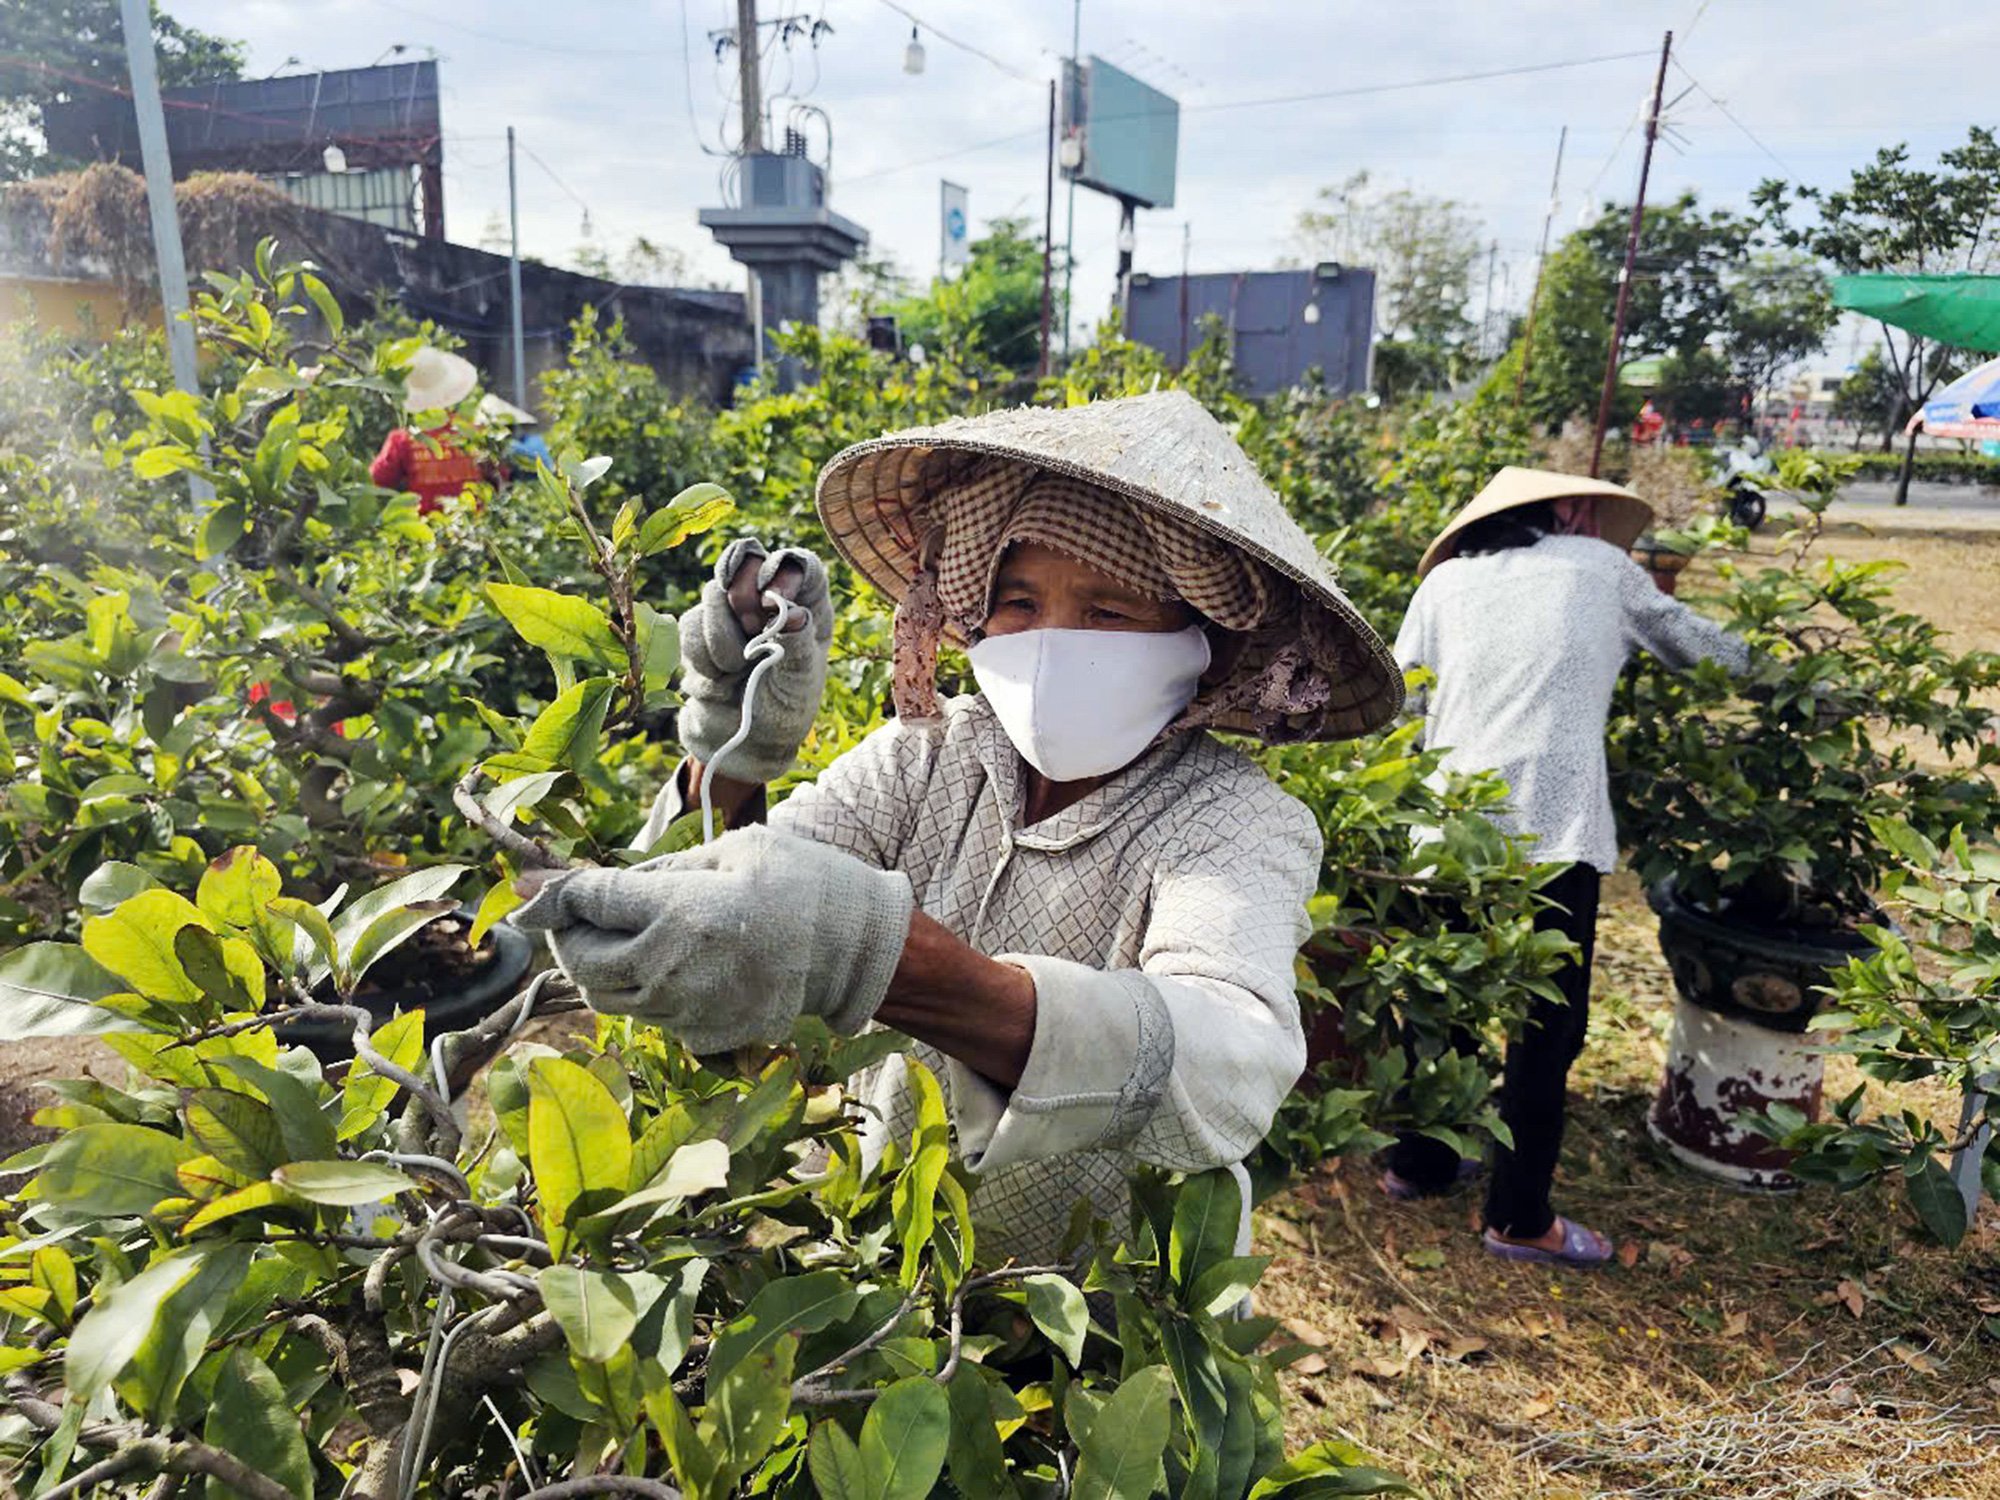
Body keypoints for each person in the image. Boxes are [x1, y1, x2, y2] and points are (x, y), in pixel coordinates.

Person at [513, 391, 1403, 1262]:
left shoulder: (1234, 821)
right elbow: (726, 910)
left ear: (1205, 641)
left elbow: (1229, 1060)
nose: (1054, 642)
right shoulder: (932, 753)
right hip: (885, 1270)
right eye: (1020, 603)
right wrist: (732, 749)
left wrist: (889, 959)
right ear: (976, 609)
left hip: (1110, 1308)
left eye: (1110, 610)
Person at [1386, 467, 1748, 1265]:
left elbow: (1401, 699)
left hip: (1447, 831)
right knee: (1545, 1029)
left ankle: (1421, 1161)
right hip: (1552, 834)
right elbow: (1708, 655)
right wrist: (1799, 679)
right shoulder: (1600, 569)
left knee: (1440, 1002)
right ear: (1569, 510)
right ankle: (1518, 1220)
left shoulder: (1443, 584)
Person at [369, 347, 487, 515]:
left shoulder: (403, 439)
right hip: (478, 532)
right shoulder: (475, 430)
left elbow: (376, 480)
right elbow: (500, 476)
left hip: (427, 534)